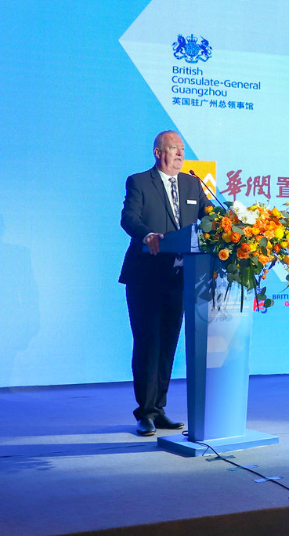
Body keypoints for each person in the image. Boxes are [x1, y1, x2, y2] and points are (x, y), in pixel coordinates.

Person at [119, 130, 209, 436]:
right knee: (148, 343)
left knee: (168, 344)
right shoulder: (139, 182)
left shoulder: (192, 183)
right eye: (174, 149)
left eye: (183, 149)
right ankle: (145, 412)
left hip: (179, 277)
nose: (181, 154)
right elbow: (129, 218)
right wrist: (147, 235)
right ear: (158, 152)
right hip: (145, 276)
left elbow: (208, 217)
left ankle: (159, 409)